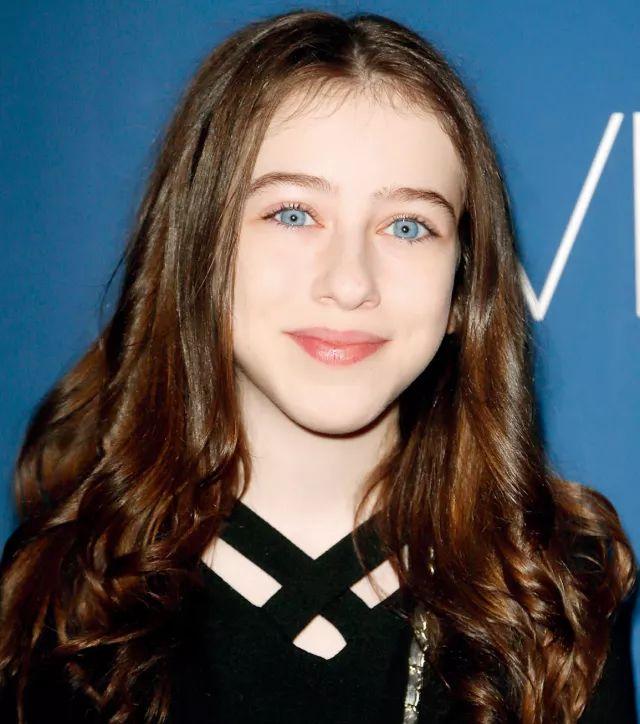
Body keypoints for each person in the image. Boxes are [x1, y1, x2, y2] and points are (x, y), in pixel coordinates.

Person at [0, 8, 636, 723]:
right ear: (198, 248)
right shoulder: (64, 593)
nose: (350, 282)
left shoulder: (551, 592)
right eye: (294, 214)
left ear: (464, 289)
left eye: (407, 226)